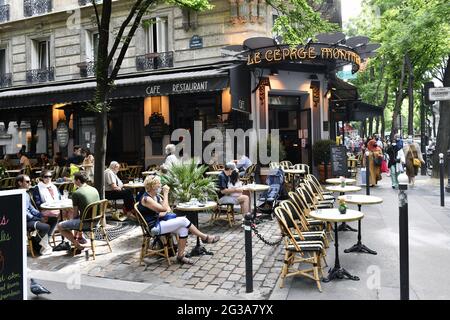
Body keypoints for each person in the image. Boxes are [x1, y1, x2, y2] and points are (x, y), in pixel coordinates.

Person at [138, 175, 220, 264]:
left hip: (161, 222)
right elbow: (164, 209)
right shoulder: (146, 199)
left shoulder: (156, 197)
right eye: (159, 184)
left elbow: (167, 209)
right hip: (154, 227)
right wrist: (166, 194)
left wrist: (162, 210)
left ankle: (180, 256)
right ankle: (204, 237)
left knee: (183, 228)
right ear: (153, 186)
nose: (160, 186)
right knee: (183, 221)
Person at [57, 172, 100, 254]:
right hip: (97, 221)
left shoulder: (76, 193)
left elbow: (75, 214)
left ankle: (76, 245)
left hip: (86, 223)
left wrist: (71, 224)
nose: (73, 181)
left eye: (74, 180)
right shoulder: (94, 189)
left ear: (78, 181)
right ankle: (79, 238)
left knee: (60, 226)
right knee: (75, 220)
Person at [16, 174, 53, 255]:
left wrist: (41, 215)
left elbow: (32, 209)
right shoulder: (18, 195)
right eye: (27, 181)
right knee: (46, 227)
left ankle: (39, 243)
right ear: (20, 183)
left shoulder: (26, 194)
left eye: (30, 181)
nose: (30, 183)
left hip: (29, 219)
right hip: (23, 221)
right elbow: (24, 213)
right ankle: (36, 242)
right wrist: (37, 219)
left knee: (52, 219)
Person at [31, 170, 60, 237]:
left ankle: (72, 236)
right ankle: (47, 237)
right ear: (41, 178)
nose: (48, 178)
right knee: (58, 216)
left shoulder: (53, 186)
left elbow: (60, 197)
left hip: (56, 208)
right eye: (46, 177)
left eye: (50, 176)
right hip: (45, 210)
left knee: (70, 211)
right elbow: (38, 203)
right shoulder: (37, 188)